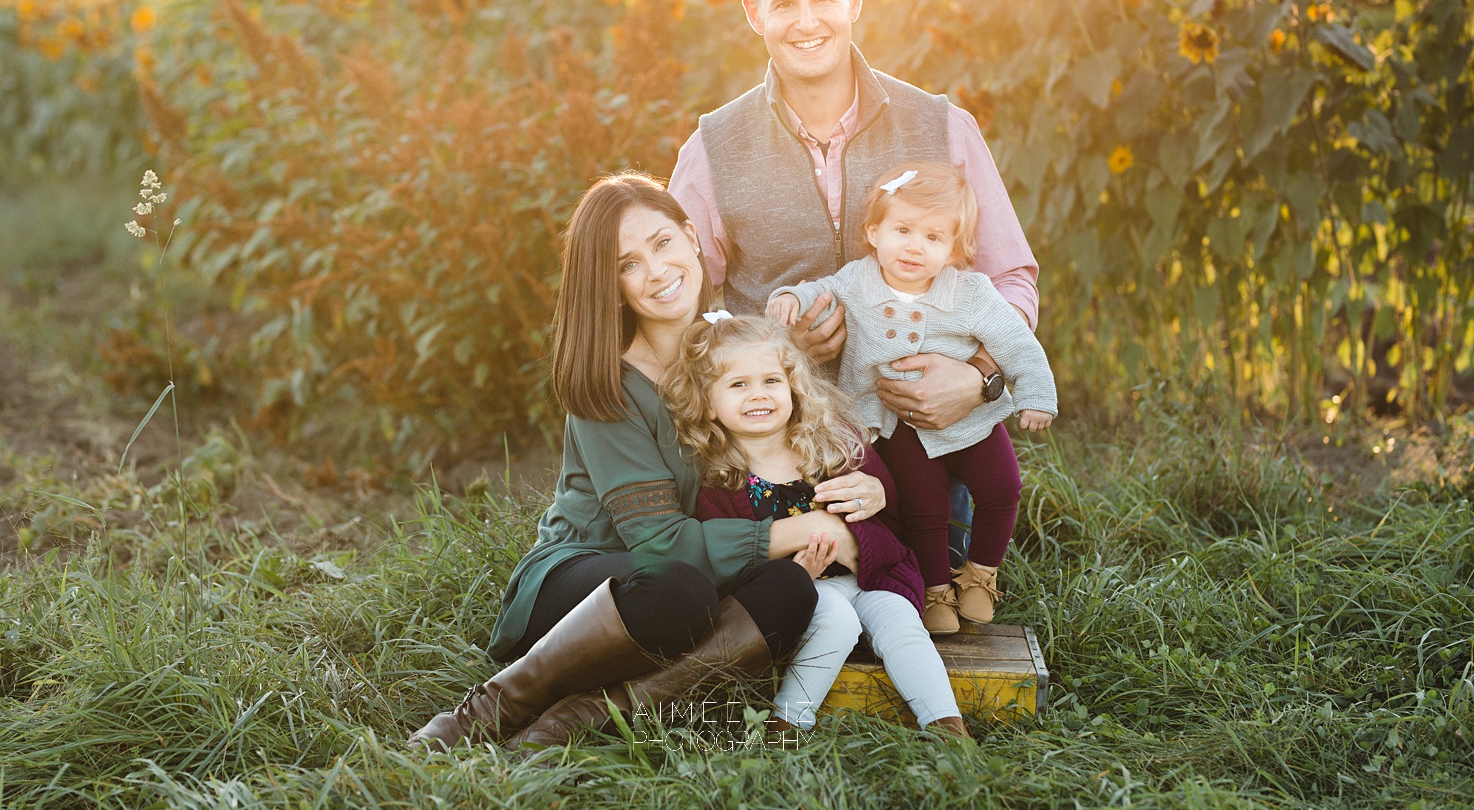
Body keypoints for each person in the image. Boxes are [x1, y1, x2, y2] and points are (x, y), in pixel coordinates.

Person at [408, 172, 890, 751]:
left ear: (691, 237)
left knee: (790, 591)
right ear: (612, 287)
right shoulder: (607, 387)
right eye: (627, 264)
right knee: (676, 589)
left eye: (662, 243)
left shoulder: (737, 350)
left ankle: (578, 721)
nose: (657, 271)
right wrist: (803, 529)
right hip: (591, 589)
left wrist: (868, 490)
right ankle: (491, 707)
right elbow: (658, 545)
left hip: (696, 573)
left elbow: (803, 440)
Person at [667, 0, 1039, 538]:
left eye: (823, 0)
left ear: (855, 0)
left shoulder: (942, 125)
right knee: (807, 614)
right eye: (784, 5)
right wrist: (774, 349)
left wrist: (980, 377)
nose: (806, 22)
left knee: (928, 603)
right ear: (754, 14)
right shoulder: (712, 148)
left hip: (932, 445)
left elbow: (1011, 277)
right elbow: (673, 310)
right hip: (781, 462)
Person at [767, 164, 1057, 634]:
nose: (915, 246)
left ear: (954, 249)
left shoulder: (970, 292)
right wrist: (789, 298)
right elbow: (818, 290)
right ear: (874, 232)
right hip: (900, 423)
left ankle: (982, 576)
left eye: (933, 237)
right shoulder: (858, 280)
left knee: (1003, 485)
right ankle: (936, 590)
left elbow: (1014, 340)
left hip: (972, 418)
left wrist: (1037, 395)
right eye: (902, 230)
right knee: (924, 507)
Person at [665, 313, 968, 735]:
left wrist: (874, 498)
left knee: (902, 622)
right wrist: (793, 575)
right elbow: (731, 566)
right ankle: (788, 721)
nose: (759, 395)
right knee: (836, 621)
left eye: (771, 381)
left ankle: (944, 723)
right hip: (808, 591)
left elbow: (887, 515)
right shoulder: (719, 481)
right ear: (709, 404)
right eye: (739, 385)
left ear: (792, 385)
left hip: (867, 576)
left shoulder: (831, 443)